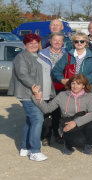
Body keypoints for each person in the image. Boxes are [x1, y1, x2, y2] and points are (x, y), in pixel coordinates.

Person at [8, 34, 54, 162]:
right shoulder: (21, 57)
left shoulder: (37, 56)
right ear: (24, 45)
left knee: (31, 120)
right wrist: (35, 88)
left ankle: (25, 147)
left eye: (36, 42)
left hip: (38, 93)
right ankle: (35, 151)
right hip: (28, 94)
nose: (33, 45)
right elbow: (23, 74)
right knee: (37, 119)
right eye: (30, 43)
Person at [32, 74, 92, 156]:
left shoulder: (89, 96)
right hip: (66, 123)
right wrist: (38, 99)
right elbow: (47, 109)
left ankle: (87, 145)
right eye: (73, 83)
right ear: (70, 84)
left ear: (83, 85)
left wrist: (75, 122)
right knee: (78, 140)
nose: (75, 86)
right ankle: (67, 144)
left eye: (78, 83)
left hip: (81, 121)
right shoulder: (62, 95)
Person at [38, 31, 67, 146]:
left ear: (63, 42)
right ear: (50, 41)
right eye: (55, 40)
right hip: (47, 87)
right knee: (45, 112)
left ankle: (57, 134)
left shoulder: (67, 53)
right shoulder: (42, 54)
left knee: (57, 113)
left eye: (60, 41)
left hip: (61, 87)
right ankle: (45, 135)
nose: (57, 42)